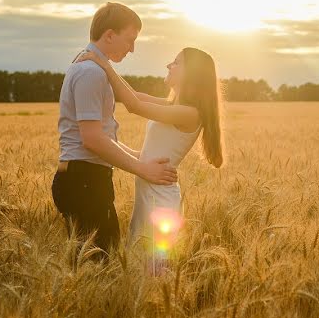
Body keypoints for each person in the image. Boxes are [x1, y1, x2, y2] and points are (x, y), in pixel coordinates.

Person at [76, 46, 224, 266]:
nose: (169, 65)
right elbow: (133, 96)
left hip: (160, 200)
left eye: (176, 62)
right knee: (139, 267)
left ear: (191, 73)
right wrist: (108, 143)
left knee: (154, 271)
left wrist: (104, 65)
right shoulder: (174, 106)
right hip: (148, 195)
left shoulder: (189, 113)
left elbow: (134, 105)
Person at [52, 2, 177, 259]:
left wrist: (138, 156)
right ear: (109, 35)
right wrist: (142, 168)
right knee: (99, 265)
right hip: (84, 181)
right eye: (130, 40)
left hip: (82, 179)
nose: (132, 49)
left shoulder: (91, 68)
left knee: (93, 266)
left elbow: (102, 136)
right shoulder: (91, 73)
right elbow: (93, 140)